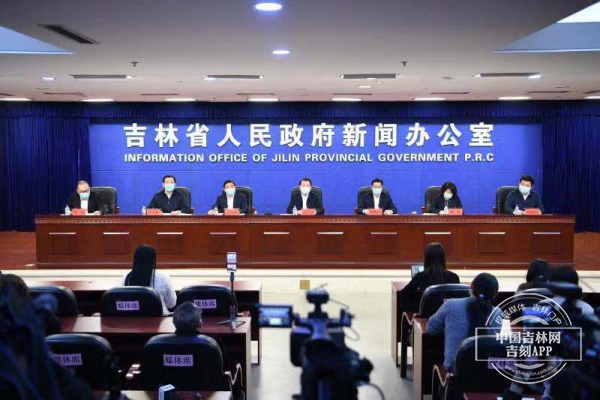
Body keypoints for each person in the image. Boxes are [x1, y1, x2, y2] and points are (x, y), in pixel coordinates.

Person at [426, 272, 501, 370]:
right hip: (484, 371)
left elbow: (430, 329)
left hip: (454, 369)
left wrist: (449, 329)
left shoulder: (451, 304)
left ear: (471, 288)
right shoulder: (497, 313)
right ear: (495, 295)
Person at [121, 245, 177, 315]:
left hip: (132, 319)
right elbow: (172, 303)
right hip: (160, 319)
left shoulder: (126, 277)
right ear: (153, 260)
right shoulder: (163, 277)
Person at [399, 242, 460, 307]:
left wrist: (418, 304)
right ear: (443, 258)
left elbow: (403, 295)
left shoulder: (420, 276)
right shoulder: (454, 277)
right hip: (448, 312)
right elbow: (460, 300)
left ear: (427, 258)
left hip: (427, 312)